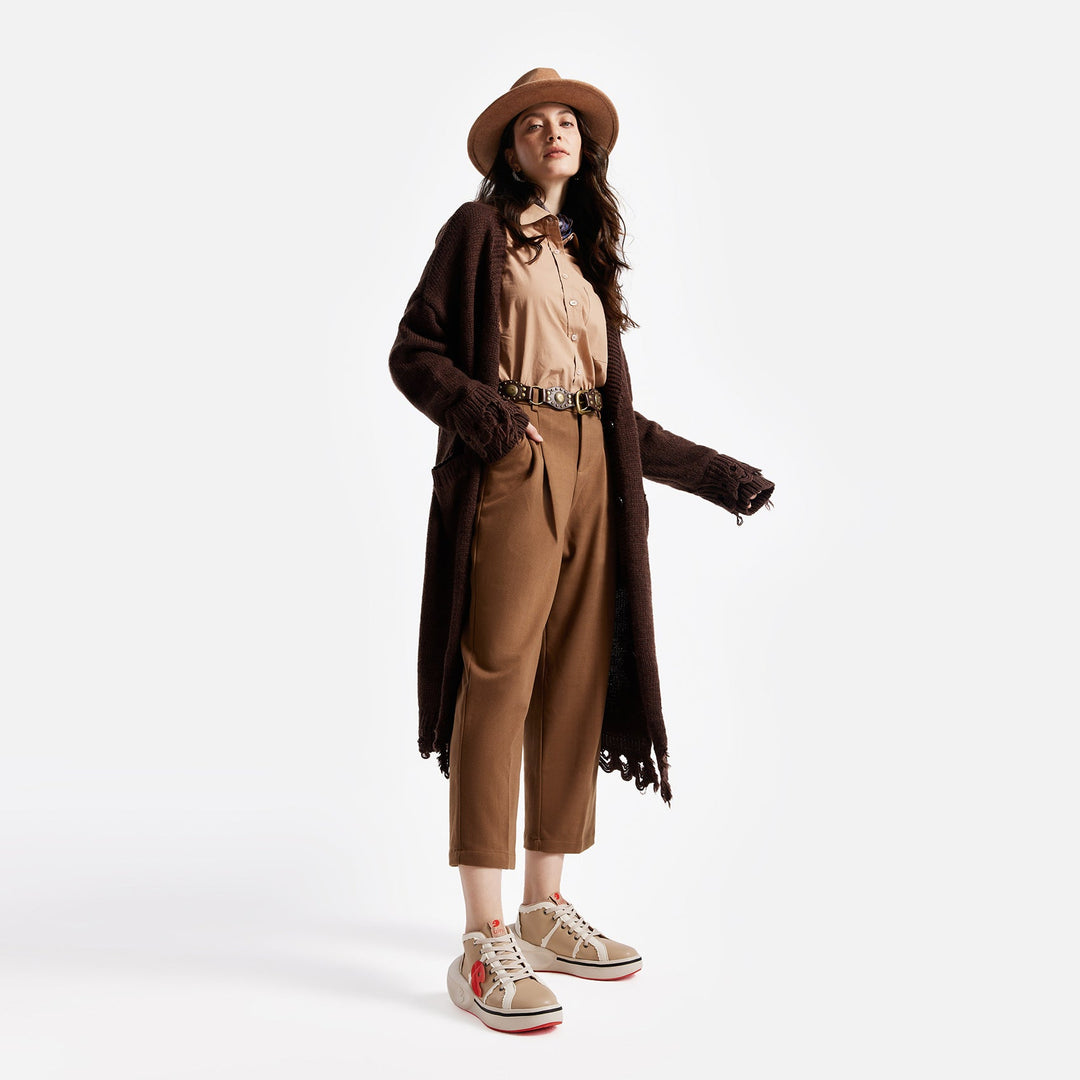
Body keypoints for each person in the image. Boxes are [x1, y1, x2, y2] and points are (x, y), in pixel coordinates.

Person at [388, 68, 775, 1033]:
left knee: (575, 685)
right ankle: (483, 938)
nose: (553, 132)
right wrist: (490, 424)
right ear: (509, 149)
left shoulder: (585, 258)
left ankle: (542, 907)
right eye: (533, 124)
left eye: (566, 121)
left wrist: (721, 476)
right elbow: (415, 353)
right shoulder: (479, 233)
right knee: (498, 678)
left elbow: (614, 413)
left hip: (598, 472)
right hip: (514, 463)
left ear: (583, 147)